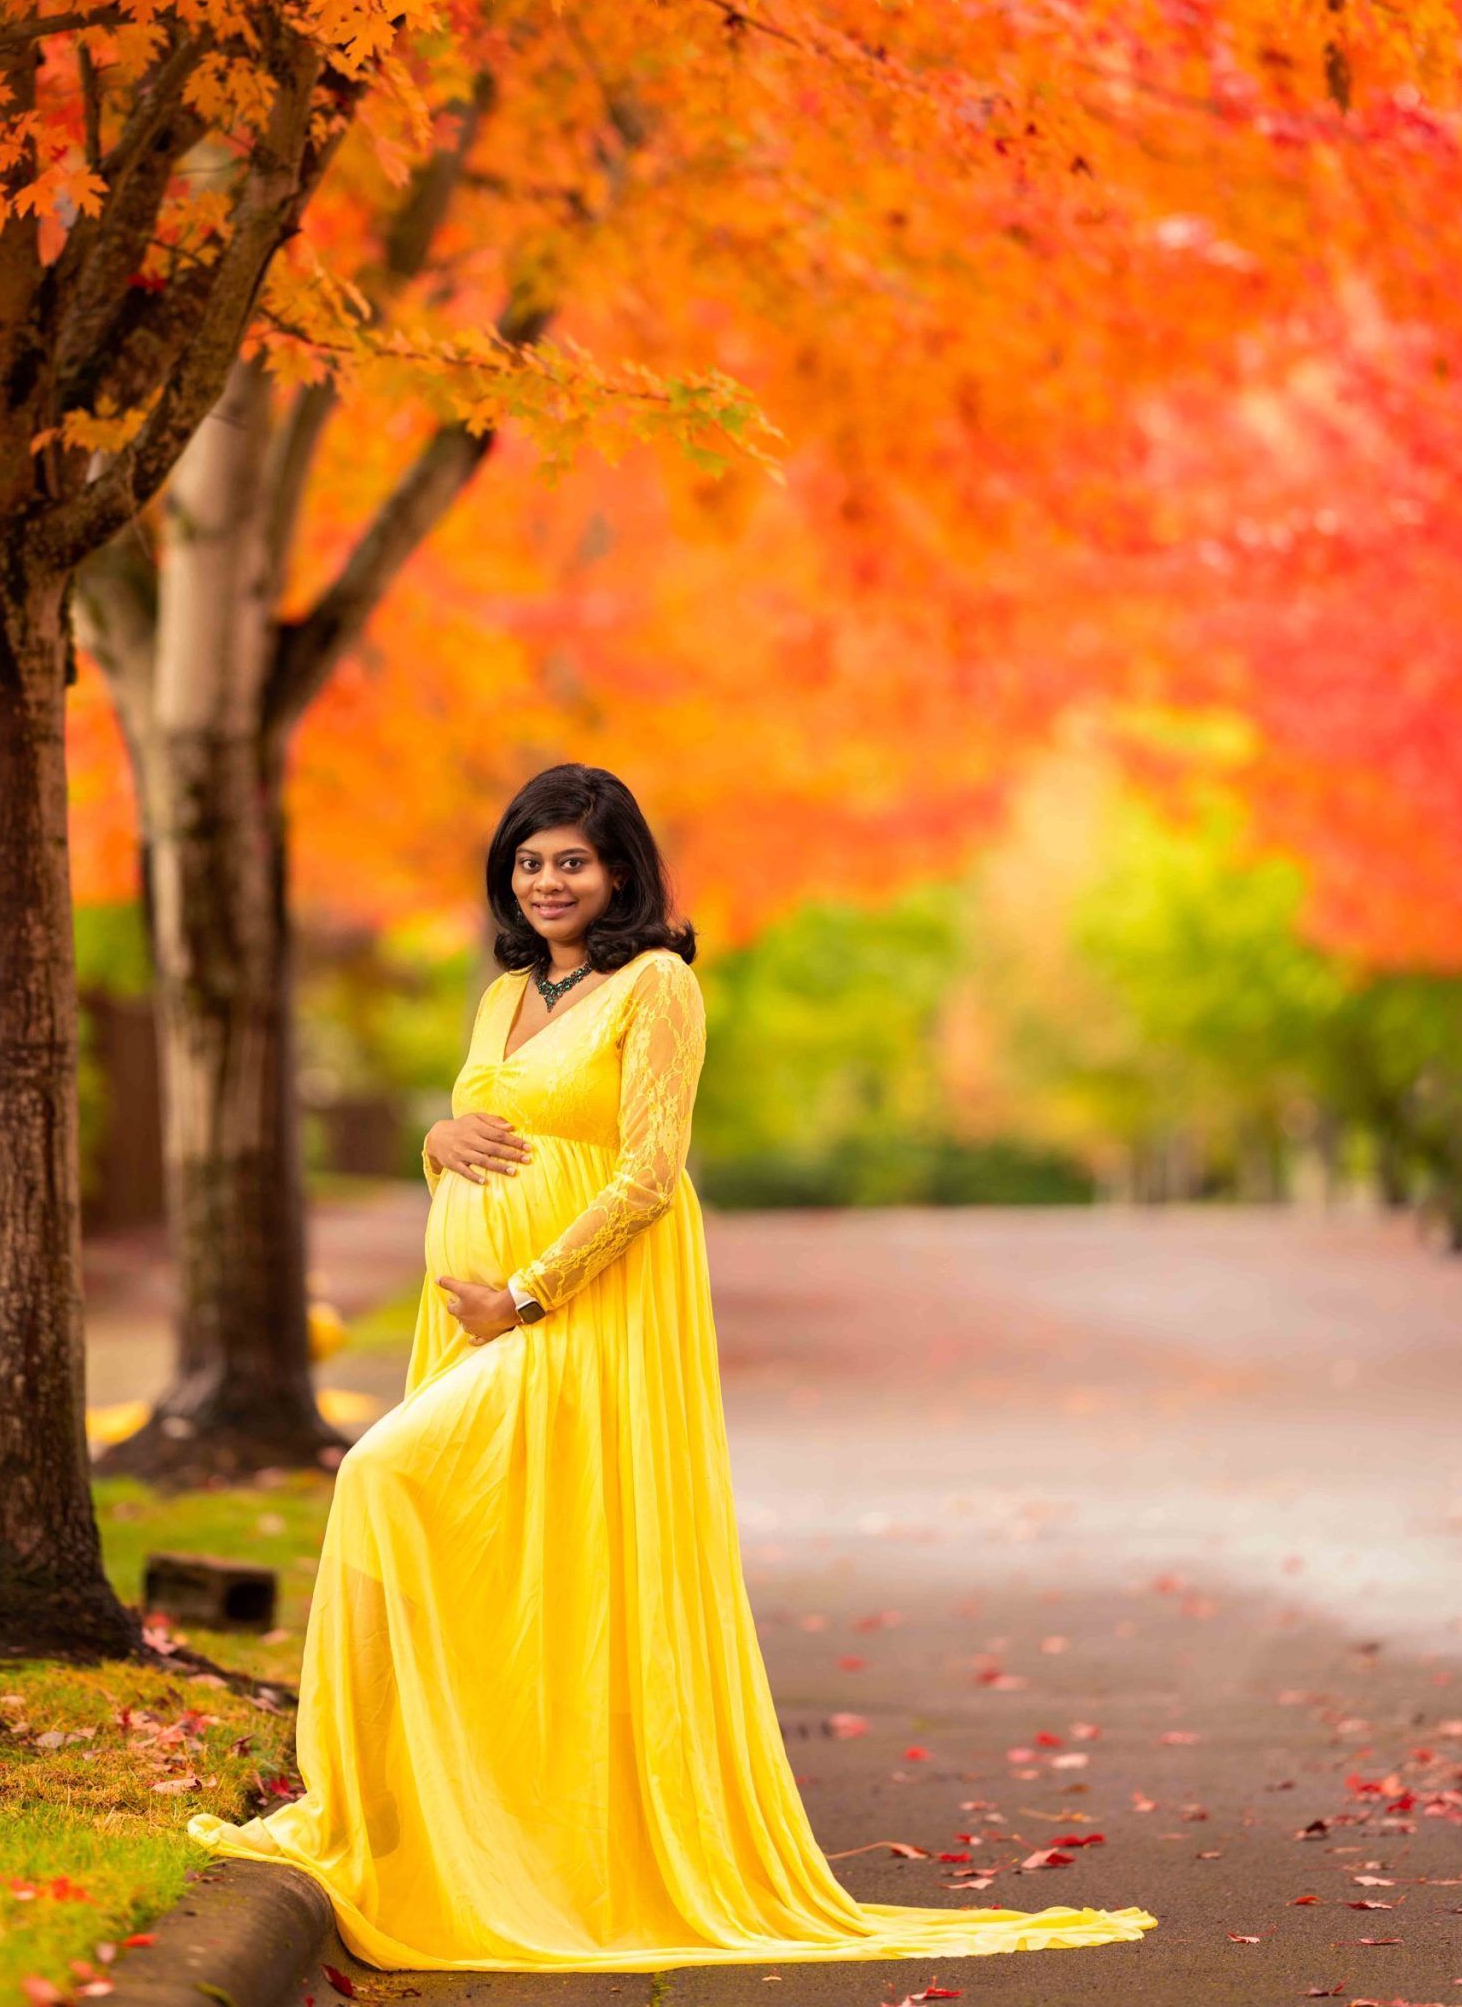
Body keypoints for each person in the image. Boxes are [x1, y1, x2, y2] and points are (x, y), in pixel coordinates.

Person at [189, 763, 1155, 1970]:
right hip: (476, 1316)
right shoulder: (500, 994)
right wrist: (437, 1142)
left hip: (580, 1317)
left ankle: (523, 1834)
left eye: (572, 862)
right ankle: (440, 1812)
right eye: (531, 860)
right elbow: (477, 1128)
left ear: (620, 871)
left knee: (385, 1479)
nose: (549, 881)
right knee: (497, 1561)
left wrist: (527, 1294)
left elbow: (648, 1173)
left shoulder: (658, 985)